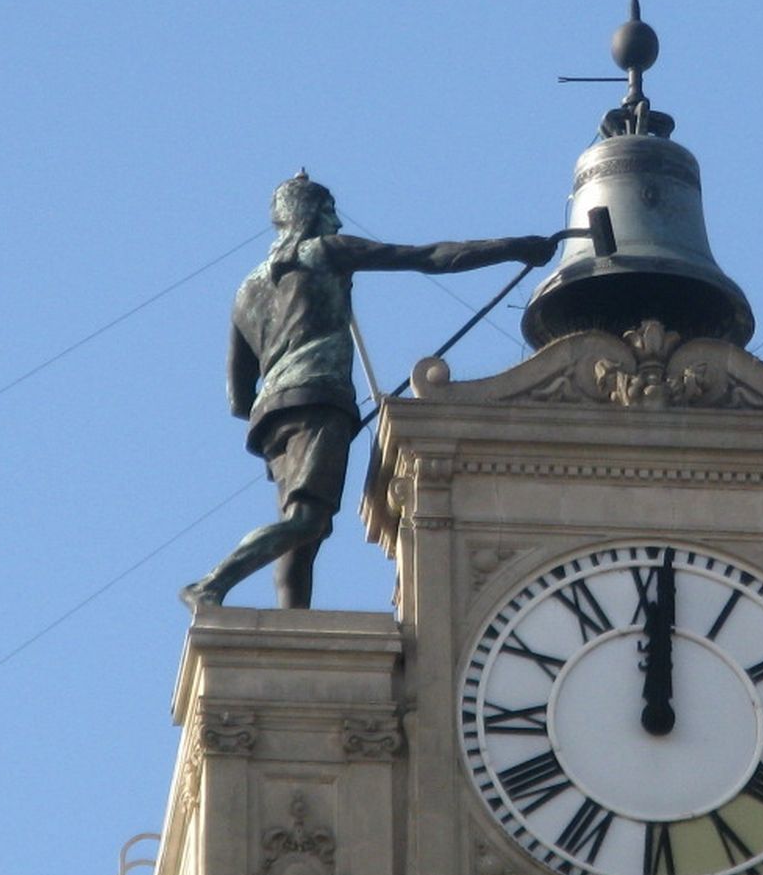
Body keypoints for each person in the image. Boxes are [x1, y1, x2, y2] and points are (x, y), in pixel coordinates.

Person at [180, 170, 557, 611]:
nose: (338, 222)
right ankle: (211, 583)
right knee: (307, 520)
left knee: (303, 528)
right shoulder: (325, 252)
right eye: (329, 210)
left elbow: (238, 398)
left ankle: (292, 627)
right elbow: (430, 257)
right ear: (309, 214)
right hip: (318, 397)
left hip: (272, 418)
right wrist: (515, 248)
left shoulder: (246, 291)